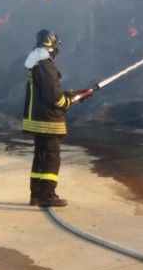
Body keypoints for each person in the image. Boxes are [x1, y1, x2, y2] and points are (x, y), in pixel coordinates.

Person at [22, 29, 92, 207]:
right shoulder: (46, 65)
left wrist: (74, 94)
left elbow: (48, 91)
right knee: (52, 157)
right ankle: (48, 195)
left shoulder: (36, 63)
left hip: (38, 119)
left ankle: (36, 194)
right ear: (51, 45)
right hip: (47, 121)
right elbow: (53, 95)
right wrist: (67, 102)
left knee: (40, 156)